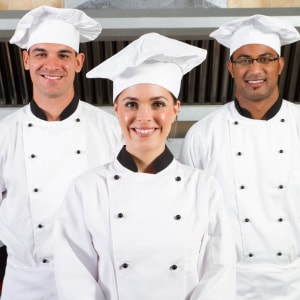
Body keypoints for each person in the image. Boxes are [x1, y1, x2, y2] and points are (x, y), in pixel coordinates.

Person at [54, 32, 236, 300]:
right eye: (131, 104)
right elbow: (74, 280)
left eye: (158, 104)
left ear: (175, 109)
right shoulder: (87, 189)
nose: (144, 117)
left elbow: (219, 275)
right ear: (116, 109)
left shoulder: (204, 188)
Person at [0, 5, 122, 300]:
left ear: (79, 62)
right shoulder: (5, 133)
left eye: (63, 55)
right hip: (25, 282)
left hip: (95, 280)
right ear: (26, 60)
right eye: (41, 53)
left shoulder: (112, 130)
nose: (51, 64)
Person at [179, 14, 300, 300]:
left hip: (295, 281)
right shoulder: (203, 135)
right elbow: (188, 220)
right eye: (244, 59)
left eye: (265, 58)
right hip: (227, 283)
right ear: (231, 68)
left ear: (280, 65)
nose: (254, 68)